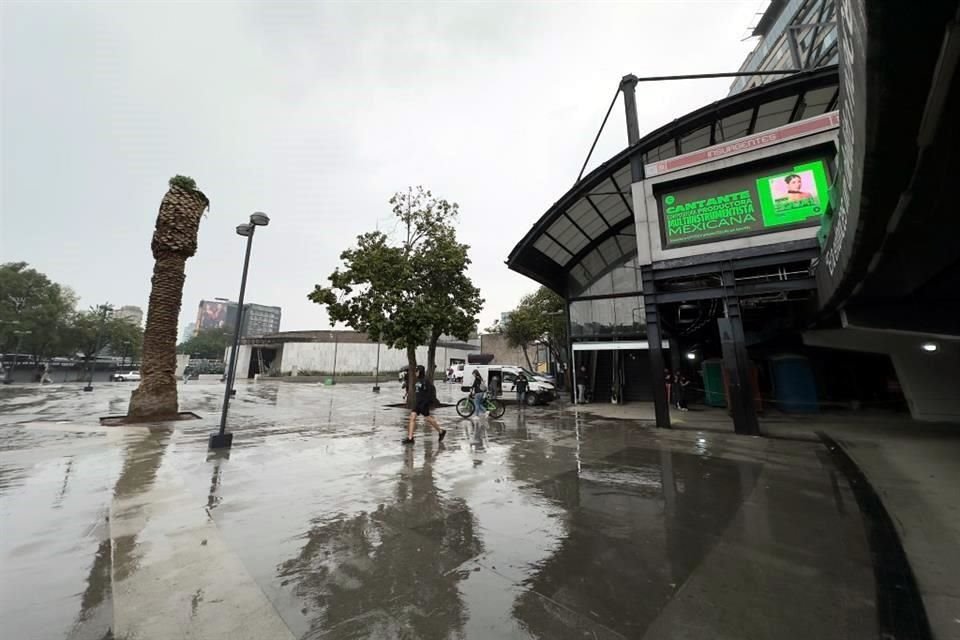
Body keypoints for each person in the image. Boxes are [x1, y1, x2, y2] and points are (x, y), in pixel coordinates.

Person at [403, 365, 446, 445]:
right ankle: (410, 438)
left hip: (423, 404)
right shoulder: (417, 381)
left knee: (428, 419)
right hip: (417, 403)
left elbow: (430, 393)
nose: (415, 372)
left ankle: (441, 431)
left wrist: (427, 403)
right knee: (412, 417)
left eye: (417, 371)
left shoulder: (426, 381)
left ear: (420, 372)